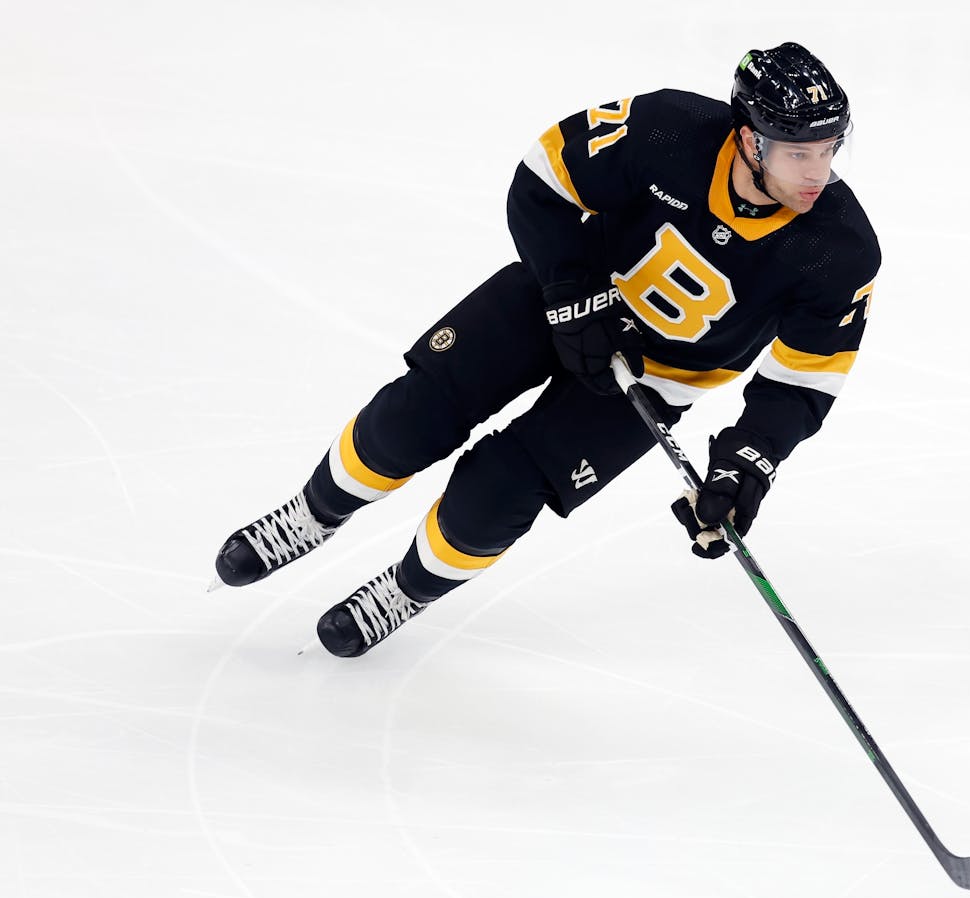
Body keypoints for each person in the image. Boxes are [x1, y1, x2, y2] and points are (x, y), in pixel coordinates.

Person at [213, 42, 880, 658]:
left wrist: (743, 467)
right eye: (799, 152)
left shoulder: (839, 249)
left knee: (496, 498)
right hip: (555, 299)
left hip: (654, 379)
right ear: (749, 140)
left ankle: (407, 589)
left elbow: (803, 382)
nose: (817, 171)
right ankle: (312, 513)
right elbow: (543, 177)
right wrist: (573, 290)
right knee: (409, 420)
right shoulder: (668, 129)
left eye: (828, 150)